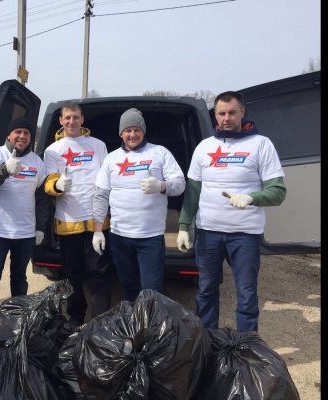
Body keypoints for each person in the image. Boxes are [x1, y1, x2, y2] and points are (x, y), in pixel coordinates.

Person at [176, 91, 286, 332]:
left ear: (242, 112)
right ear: (215, 115)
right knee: (206, 290)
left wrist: (251, 198)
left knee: (246, 293)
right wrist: (183, 226)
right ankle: (207, 341)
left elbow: (278, 192)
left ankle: (246, 345)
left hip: (245, 234)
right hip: (208, 232)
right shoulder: (204, 147)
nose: (227, 118)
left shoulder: (261, 144)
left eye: (232, 112)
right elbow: (193, 192)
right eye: (222, 113)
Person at [92, 108, 185, 302]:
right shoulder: (112, 158)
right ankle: (133, 320)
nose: (132, 134)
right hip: (120, 236)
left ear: (143, 131)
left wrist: (162, 186)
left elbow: (180, 184)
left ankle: (149, 321)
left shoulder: (159, 153)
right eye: (128, 130)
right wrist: (98, 231)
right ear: (121, 133)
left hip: (150, 236)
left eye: (137, 130)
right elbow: (101, 195)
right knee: (129, 286)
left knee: (151, 290)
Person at [42, 103, 114, 330]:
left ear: (82, 119)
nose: (71, 121)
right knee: (72, 273)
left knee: (99, 272)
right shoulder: (53, 150)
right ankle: (75, 316)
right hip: (68, 221)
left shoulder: (98, 145)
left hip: (96, 221)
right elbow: (48, 181)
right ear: (61, 121)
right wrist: (57, 185)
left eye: (75, 117)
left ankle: (100, 318)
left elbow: (107, 178)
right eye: (67, 118)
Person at [0, 117, 48, 335]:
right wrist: (4, 169)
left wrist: (40, 227)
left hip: (24, 233)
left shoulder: (37, 162)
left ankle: (18, 324)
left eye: (26, 133)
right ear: (9, 135)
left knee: (19, 280)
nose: (22, 136)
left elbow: (42, 198)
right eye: (18, 132)